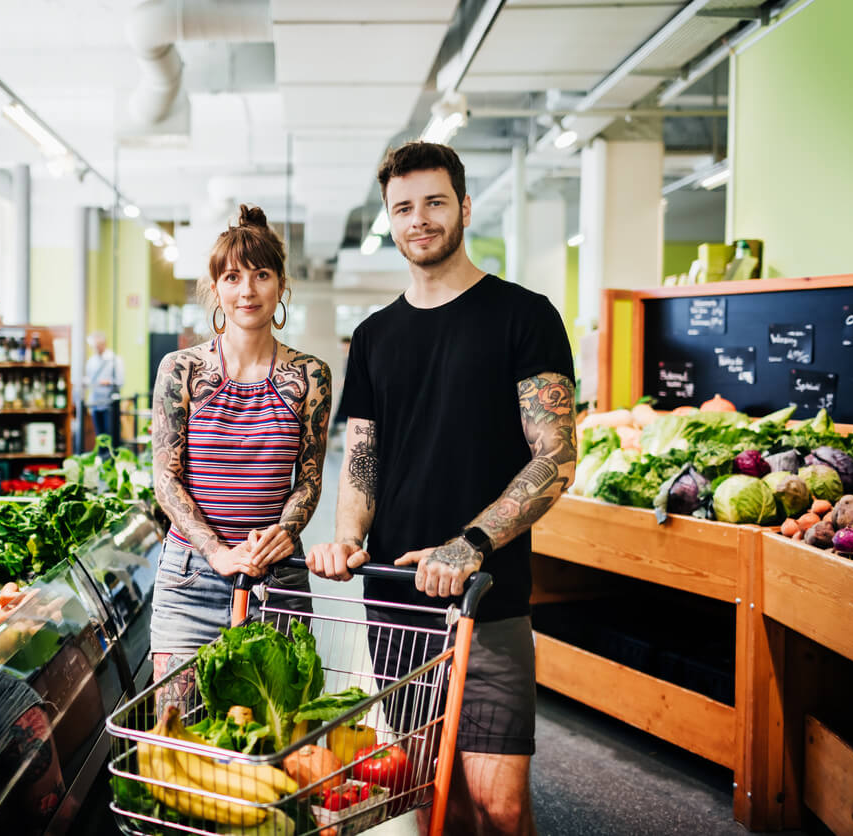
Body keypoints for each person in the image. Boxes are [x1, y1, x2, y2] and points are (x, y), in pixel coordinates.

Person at [307, 142, 576, 836]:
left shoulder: (525, 315)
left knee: (502, 806)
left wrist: (470, 544)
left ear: (463, 206)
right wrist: (345, 539)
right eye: (403, 207)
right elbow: (362, 461)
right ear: (390, 219)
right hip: (397, 601)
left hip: (489, 598)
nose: (418, 219)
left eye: (433, 202)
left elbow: (556, 457)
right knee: (435, 797)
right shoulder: (371, 337)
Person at [150, 204, 332, 703]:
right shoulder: (181, 369)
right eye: (232, 277)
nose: (246, 290)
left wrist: (286, 531)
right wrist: (218, 552)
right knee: (176, 745)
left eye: (261, 275)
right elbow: (166, 479)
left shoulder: (310, 376)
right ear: (215, 288)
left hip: (278, 580)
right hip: (190, 580)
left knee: (273, 746)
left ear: (281, 285)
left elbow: (310, 478)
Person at [83, 331, 123, 442]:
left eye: (98, 345)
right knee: (99, 437)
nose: (96, 348)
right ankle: (101, 457)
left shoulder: (114, 360)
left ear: (104, 343)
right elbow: (89, 379)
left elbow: (120, 381)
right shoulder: (91, 361)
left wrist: (108, 382)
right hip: (95, 403)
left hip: (109, 404)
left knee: (110, 435)